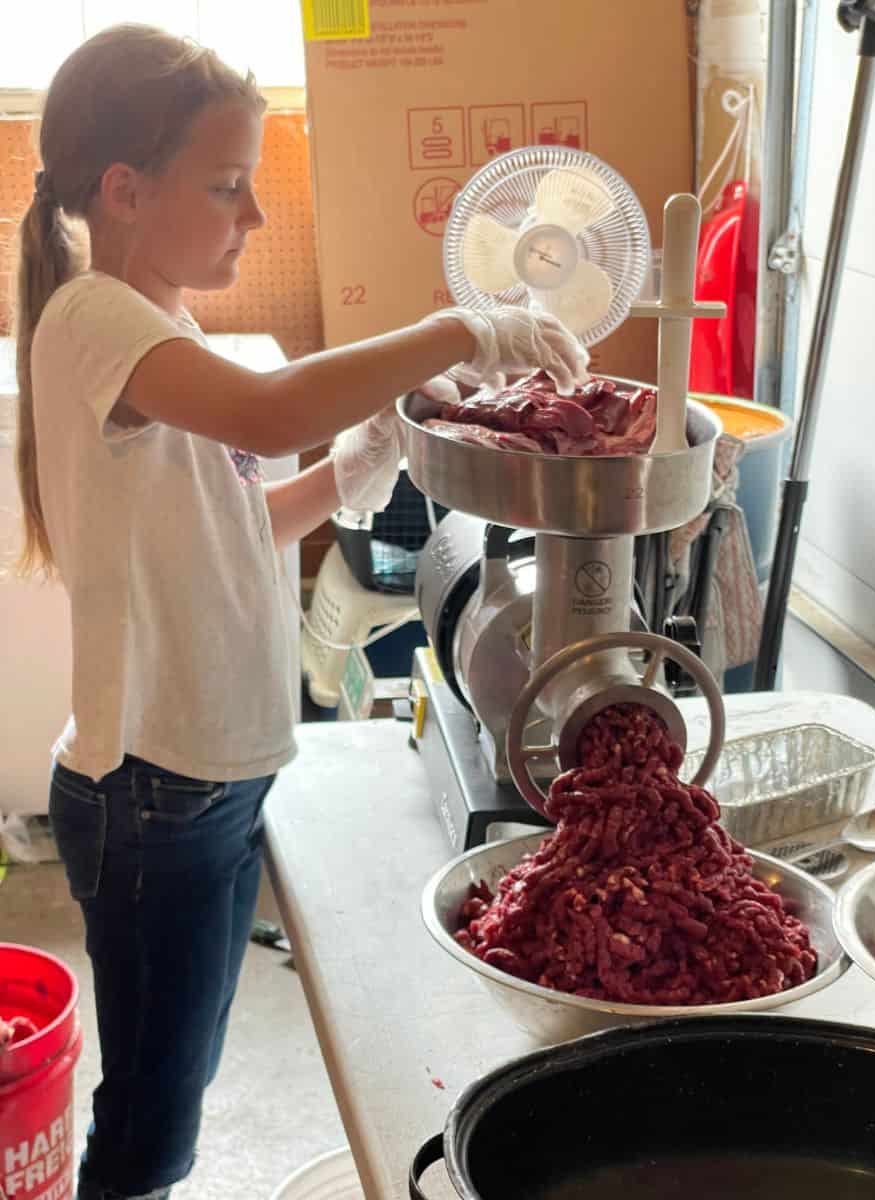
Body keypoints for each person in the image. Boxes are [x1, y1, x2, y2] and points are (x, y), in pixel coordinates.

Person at [12, 23, 588, 1200]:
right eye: (229, 188)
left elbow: (237, 520)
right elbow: (271, 411)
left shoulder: (159, 330)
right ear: (124, 190)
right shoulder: (93, 319)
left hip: (212, 782)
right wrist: (456, 327)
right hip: (154, 794)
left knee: (181, 1072)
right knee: (152, 1122)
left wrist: (360, 462)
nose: (254, 219)